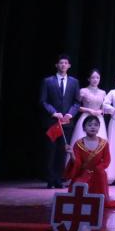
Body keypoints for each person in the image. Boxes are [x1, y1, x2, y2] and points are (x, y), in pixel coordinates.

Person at [40, 54, 81, 188]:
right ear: (57, 65)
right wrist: (53, 112)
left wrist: (70, 114)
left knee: (62, 151)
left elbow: (77, 102)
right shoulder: (48, 81)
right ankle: (50, 179)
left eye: (65, 63)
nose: (63, 65)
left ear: (69, 66)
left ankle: (59, 179)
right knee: (50, 151)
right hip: (52, 122)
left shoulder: (74, 82)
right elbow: (43, 101)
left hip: (66, 122)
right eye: (61, 63)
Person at [64, 115, 115, 207]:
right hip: (82, 174)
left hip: (98, 174)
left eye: (95, 125)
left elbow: (106, 160)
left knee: (101, 175)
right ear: (84, 128)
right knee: (78, 189)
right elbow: (77, 163)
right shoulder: (78, 144)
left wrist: (99, 169)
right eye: (89, 125)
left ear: (99, 127)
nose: (93, 127)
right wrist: (71, 154)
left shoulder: (104, 143)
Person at [71, 69, 107, 144]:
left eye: (97, 78)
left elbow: (104, 108)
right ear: (89, 79)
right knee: (83, 141)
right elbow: (76, 106)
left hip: (98, 118)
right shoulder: (83, 91)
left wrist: (100, 111)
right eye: (93, 77)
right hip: (86, 117)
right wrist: (89, 110)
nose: (95, 80)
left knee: (99, 142)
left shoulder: (103, 92)